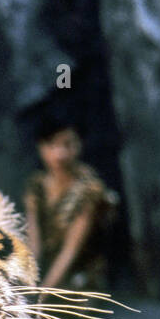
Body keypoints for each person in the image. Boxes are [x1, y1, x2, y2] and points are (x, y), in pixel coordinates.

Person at [24, 108, 118, 293]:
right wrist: (28, 285)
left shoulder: (89, 190)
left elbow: (70, 251)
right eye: (51, 145)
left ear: (79, 144)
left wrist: (43, 294)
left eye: (67, 144)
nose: (59, 154)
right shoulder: (36, 186)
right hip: (46, 271)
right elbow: (34, 243)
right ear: (40, 147)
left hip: (80, 278)